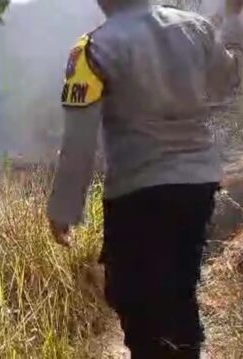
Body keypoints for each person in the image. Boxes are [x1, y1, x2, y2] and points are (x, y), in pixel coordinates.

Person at [46, 0, 241, 357]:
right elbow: (226, 81)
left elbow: (78, 139)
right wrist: (232, 22)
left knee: (133, 295)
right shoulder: (195, 28)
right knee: (179, 285)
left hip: (136, 191)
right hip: (195, 185)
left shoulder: (91, 50)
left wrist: (64, 207)